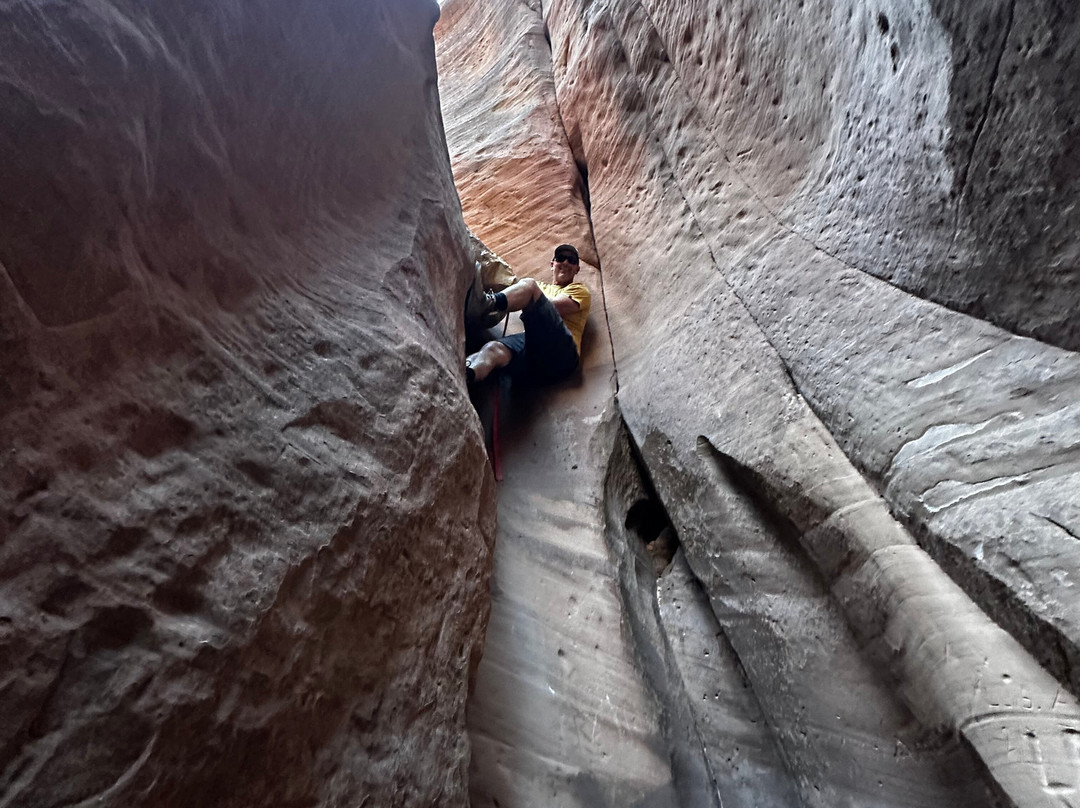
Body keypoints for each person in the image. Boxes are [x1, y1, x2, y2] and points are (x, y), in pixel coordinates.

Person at [465, 244, 591, 386]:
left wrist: (527, 298)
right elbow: (516, 296)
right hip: (535, 355)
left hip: (563, 353)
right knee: (493, 349)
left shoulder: (579, 290)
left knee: (529, 286)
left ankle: (484, 305)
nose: (566, 263)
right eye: (561, 258)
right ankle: (466, 375)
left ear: (577, 269)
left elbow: (557, 308)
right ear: (552, 264)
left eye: (572, 260)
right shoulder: (540, 287)